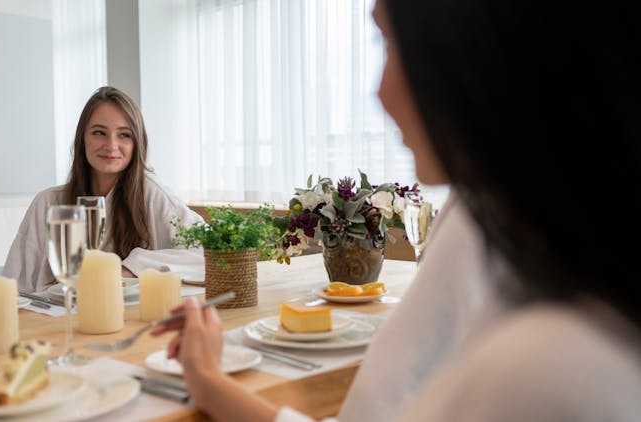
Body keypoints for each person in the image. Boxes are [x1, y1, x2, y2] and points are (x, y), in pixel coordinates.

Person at [152, 0, 641, 420]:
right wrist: (210, 381)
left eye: (391, 43)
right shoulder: (554, 281)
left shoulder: (543, 367)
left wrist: (209, 380)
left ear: (479, 46)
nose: (379, 92)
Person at [3, 86, 204, 292]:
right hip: (56, 317)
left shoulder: (153, 195)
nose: (111, 145)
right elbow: (16, 286)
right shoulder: (47, 203)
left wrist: (129, 267)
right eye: (99, 133)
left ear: (137, 143)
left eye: (124, 135)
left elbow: (208, 253)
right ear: (82, 138)